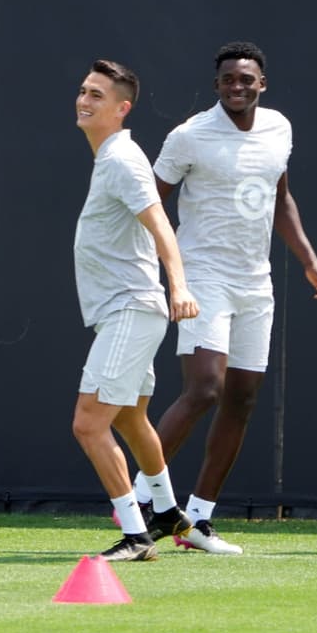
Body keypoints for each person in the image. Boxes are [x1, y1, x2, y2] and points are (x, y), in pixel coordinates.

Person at [146, 41, 317, 555]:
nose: (237, 86)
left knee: (243, 398)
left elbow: (281, 198)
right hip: (202, 275)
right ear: (216, 86)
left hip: (257, 283)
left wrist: (309, 260)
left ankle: (200, 520)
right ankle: (142, 496)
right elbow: (150, 203)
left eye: (246, 79)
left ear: (262, 84)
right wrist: (165, 272)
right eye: (228, 79)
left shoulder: (279, 129)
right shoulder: (188, 136)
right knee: (205, 388)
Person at [72, 59, 200, 562]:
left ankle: (135, 533)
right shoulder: (109, 159)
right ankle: (167, 512)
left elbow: (161, 224)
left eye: (97, 95)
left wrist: (180, 285)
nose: (84, 100)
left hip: (133, 308)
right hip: (123, 310)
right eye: (83, 90)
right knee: (129, 416)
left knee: (88, 423)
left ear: (122, 109)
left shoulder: (123, 160)